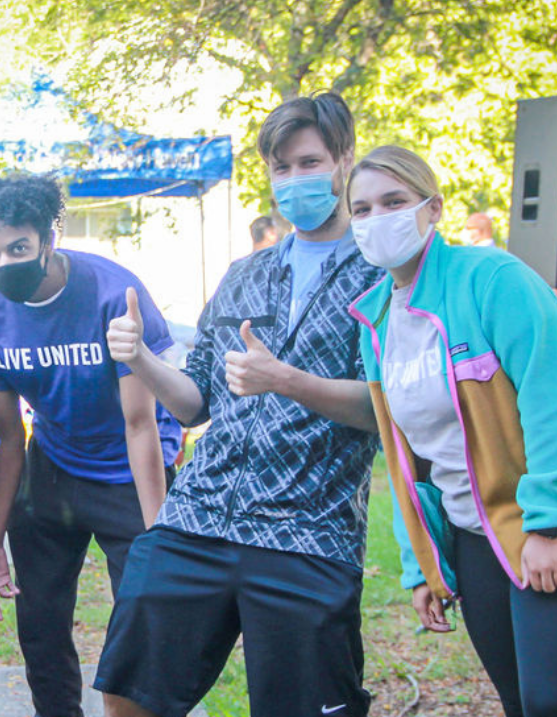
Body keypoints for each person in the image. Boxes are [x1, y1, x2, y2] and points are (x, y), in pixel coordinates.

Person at [97, 92, 383, 717]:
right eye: (281, 168)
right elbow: (196, 402)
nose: (294, 179)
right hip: (196, 518)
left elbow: (385, 409)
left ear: (343, 160)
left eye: (309, 162)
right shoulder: (245, 273)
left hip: (307, 532)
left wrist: (285, 379)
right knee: (127, 694)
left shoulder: (382, 275)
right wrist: (142, 360)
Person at [348, 145, 557, 717]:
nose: (376, 218)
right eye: (361, 209)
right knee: (516, 702)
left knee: (552, 704)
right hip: (471, 536)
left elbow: (555, 401)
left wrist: (549, 523)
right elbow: (405, 456)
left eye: (394, 201)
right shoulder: (375, 319)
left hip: (542, 526)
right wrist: (420, 565)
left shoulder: (494, 280)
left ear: (432, 208)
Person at [0, 174, 182, 717]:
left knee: (143, 622)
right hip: (54, 464)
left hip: (131, 467)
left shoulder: (110, 292)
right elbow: (9, 437)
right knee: (40, 625)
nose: (4, 261)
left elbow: (140, 425)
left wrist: (156, 536)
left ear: (47, 239)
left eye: (18, 248)